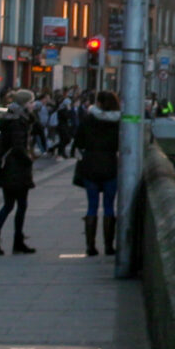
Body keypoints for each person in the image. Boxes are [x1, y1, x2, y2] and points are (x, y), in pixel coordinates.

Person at [0, 90, 38, 256]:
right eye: (31, 102)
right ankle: (14, 241)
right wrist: (29, 158)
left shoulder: (12, 119)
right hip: (16, 169)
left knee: (9, 205)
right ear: (24, 104)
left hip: (9, 168)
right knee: (19, 206)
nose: (33, 105)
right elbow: (18, 147)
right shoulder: (18, 122)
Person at [73, 88, 122, 256]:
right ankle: (109, 246)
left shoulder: (88, 119)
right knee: (109, 207)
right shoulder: (117, 122)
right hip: (110, 165)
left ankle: (90, 246)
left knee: (92, 206)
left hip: (90, 165)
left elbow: (78, 141)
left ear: (98, 103)